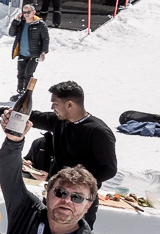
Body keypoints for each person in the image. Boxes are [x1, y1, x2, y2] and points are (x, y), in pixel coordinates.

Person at [21, 81, 117, 224]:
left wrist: (74, 184)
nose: (52, 107)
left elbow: (109, 169)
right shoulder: (59, 121)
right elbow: (29, 115)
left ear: (70, 105)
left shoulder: (98, 132)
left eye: (55, 103)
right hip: (55, 194)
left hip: (79, 200)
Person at [11, 5, 49, 95]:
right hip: (22, 53)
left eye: (28, 12)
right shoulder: (21, 23)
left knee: (28, 74)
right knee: (20, 74)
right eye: (24, 12)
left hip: (34, 54)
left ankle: (27, 93)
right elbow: (11, 33)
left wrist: (43, 52)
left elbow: (45, 39)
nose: (26, 14)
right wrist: (16, 21)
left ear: (33, 12)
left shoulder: (40, 24)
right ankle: (20, 92)